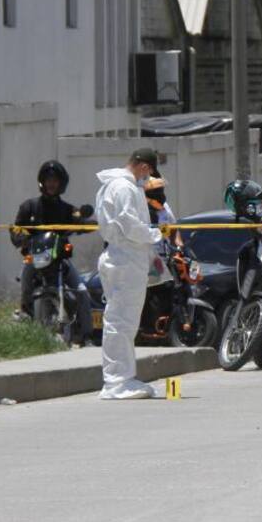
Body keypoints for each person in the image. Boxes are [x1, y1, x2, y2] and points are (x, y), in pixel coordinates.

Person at [94, 148, 163, 400]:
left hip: (122, 258)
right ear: (143, 167)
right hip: (126, 259)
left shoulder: (115, 186)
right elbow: (129, 223)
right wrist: (157, 234)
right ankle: (117, 382)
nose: (148, 179)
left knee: (120, 322)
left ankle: (121, 378)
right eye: (149, 173)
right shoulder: (124, 188)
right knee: (122, 322)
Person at [10, 160, 93, 342]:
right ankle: (25, 311)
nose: (51, 183)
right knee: (25, 274)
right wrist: (22, 240)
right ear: (42, 181)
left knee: (82, 292)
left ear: (61, 183)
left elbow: (80, 219)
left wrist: (90, 222)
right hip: (36, 258)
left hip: (59, 260)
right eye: (48, 179)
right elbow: (16, 229)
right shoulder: (29, 207)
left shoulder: (67, 210)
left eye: (55, 180)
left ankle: (86, 336)